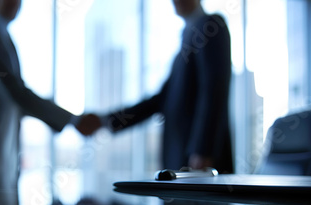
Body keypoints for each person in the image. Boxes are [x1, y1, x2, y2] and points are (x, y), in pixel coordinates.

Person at [0, 0, 99, 189]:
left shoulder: (3, 35)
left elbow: (16, 97)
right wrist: (72, 120)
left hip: (1, 147)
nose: (15, 2)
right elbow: (16, 92)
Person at [93, 0, 233, 173]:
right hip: (180, 158)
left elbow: (214, 89)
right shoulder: (186, 39)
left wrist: (203, 149)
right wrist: (105, 121)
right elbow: (159, 101)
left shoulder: (210, 25)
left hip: (199, 162)